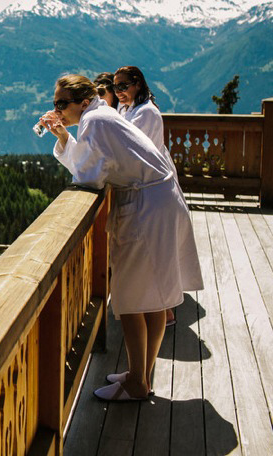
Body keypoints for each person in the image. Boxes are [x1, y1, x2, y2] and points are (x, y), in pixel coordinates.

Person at [38, 74, 203, 401]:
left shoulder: (95, 122)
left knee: (130, 300)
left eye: (61, 104)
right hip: (159, 200)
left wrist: (66, 139)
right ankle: (139, 375)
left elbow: (89, 176)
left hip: (146, 209)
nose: (56, 109)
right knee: (153, 298)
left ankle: (137, 384)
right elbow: (90, 162)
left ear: (83, 102)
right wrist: (62, 135)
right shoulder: (101, 116)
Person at [113, 65, 178, 326]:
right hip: (145, 190)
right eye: (115, 87)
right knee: (153, 256)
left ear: (137, 84)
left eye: (123, 86)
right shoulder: (127, 109)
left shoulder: (147, 112)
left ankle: (163, 311)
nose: (119, 92)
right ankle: (161, 310)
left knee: (154, 256)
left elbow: (132, 149)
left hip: (150, 190)